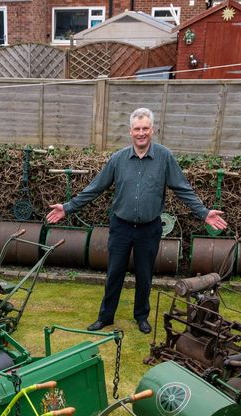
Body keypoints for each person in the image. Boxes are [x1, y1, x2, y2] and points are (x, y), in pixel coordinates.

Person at [46, 108, 228, 333]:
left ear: (152, 130)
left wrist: (203, 212)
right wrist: (67, 207)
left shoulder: (164, 157)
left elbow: (182, 188)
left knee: (144, 275)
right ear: (130, 132)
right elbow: (95, 188)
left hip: (149, 229)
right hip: (121, 227)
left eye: (145, 128)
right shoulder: (118, 159)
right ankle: (105, 317)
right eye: (137, 129)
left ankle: (141, 316)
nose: (141, 133)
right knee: (114, 273)